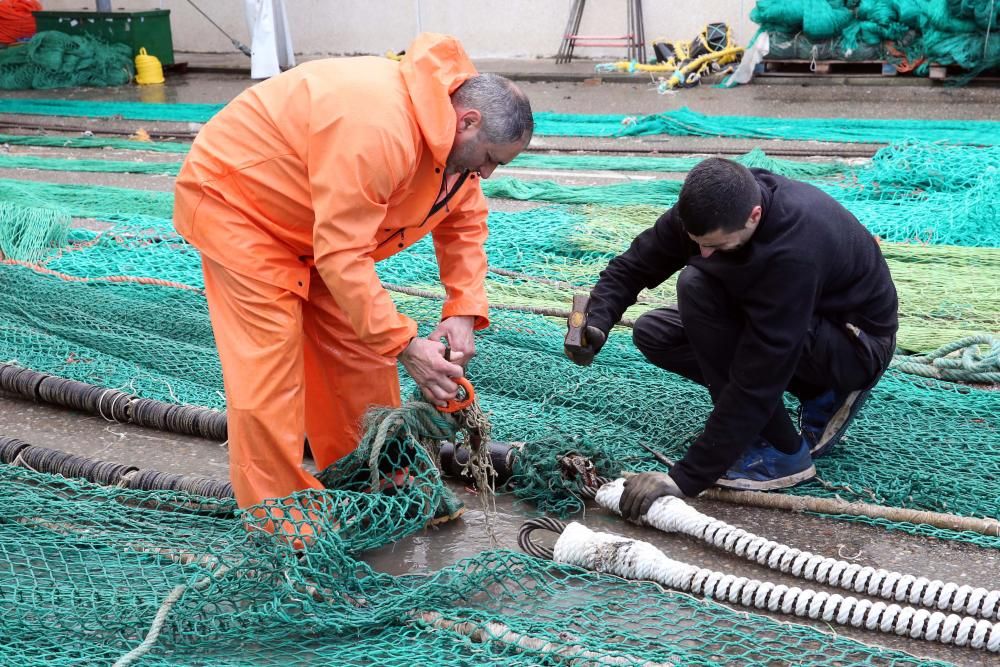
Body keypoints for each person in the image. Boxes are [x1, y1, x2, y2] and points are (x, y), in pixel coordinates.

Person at [173, 33, 533, 518]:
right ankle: (283, 515)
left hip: (318, 229)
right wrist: (408, 345)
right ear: (468, 122)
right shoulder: (379, 128)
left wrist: (464, 308)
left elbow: (463, 220)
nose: (487, 174)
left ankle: (377, 484)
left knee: (363, 359)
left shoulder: (451, 143)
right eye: (490, 159)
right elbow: (342, 254)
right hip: (243, 210)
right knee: (270, 376)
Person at [565, 158, 898, 520]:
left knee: (696, 286)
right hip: (787, 320)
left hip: (852, 345)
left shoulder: (794, 252)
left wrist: (686, 477)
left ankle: (785, 451)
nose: (704, 253)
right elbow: (634, 265)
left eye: (718, 246)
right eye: (698, 243)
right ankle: (775, 418)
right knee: (655, 332)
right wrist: (597, 322)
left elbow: (759, 377)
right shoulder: (708, 209)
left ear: (754, 216)